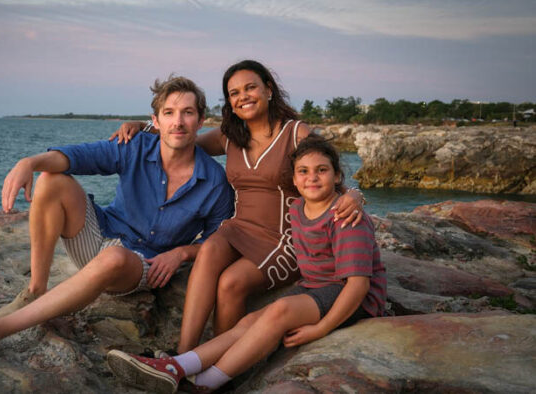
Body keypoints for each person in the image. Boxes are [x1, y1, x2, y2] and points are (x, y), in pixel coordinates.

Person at [0, 75, 234, 353]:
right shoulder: (135, 146)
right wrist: (30, 161)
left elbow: (217, 245)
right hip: (99, 235)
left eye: (188, 113)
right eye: (169, 113)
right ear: (155, 120)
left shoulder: (214, 182)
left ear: (201, 121)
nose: (178, 122)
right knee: (51, 178)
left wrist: (180, 253)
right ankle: (36, 289)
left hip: (141, 265)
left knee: (114, 258)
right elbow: (80, 156)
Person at [111, 60, 365, 353]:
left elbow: (325, 169)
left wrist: (355, 196)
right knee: (208, 249)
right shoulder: (229, 136)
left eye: (250, 88)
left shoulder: (295, 133)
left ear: (268, 90)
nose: (242, 96)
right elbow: (181, 138)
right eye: (234, 93)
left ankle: (218, 367)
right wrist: (142, 128)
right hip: (238, 229)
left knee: (231, 282)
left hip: (284, 238)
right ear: (229, 103)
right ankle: (183, 356)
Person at [107, 134, 387, 394]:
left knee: (279, 311)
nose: (312, 177)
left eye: (322, 170)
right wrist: (141, 130)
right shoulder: (298, 209)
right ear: (294, 178)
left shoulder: (347, 219)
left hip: (351, 295)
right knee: (249, 322)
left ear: (337, 175)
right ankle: (178, 366)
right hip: (315, 288)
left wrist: (321, 328)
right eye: (303, 171)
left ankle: (204, 384)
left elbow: (358, 285)